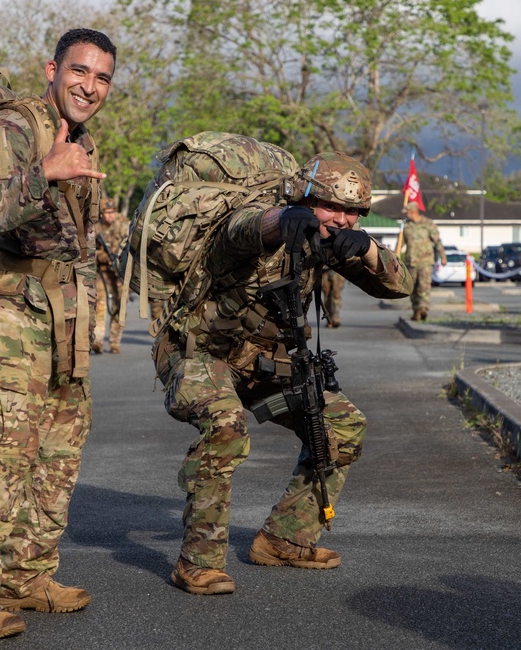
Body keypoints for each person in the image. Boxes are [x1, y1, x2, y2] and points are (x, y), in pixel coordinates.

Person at [152, 152, 410, 595]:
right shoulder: (263, 216)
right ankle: (198, 561)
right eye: (333, 207)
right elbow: (243, 230)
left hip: (264, 360)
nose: (344, 219)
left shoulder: (330, 235)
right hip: (199, 353)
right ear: (305, 197)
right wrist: (282, 219)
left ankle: (285, 538)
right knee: (225, 425)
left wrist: (365, 248)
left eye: (354, 211)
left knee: (343, 426)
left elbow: (400, 285)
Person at [0, 28, 116, 640]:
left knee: (57, 455)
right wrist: (45, 171)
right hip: (4, 323)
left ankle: (26, 574)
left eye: (102, 78)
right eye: (79, 72)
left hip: (60, 322)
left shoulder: (80, 137)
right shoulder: (12, 128)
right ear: (52, 69)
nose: (89, 87)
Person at [93, 198, 129, 353]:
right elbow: (86, 250)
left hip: (119, 271)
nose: (111, 216)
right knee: (99, 305)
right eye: (108, 213)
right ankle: (98, 341)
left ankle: (115, 343)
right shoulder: (95, 227)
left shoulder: (123, 225)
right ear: (101, 214)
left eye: (113, 212)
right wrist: (101, 256)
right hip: (101, 272)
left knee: (120, 306)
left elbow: (131, 245)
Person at [401, 201, 446, 321]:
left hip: (425, 262)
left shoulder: (428, 224)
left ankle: (423, 308)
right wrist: (394, 256)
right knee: (412, 288)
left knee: (424, 286)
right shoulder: (407, 227)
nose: (406, 215)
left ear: (413, 212)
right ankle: (416, 310)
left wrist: (443, 256)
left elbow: (437, 242)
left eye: (408, 213)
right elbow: (400, 243)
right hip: (411, 262)